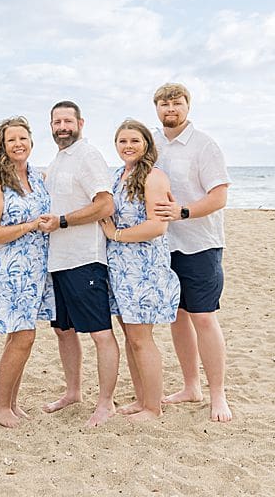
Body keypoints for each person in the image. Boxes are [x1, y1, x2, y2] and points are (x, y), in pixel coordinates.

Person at [151, 83, 233, 422]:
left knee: (203, 317)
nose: (171, 108)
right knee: (178, 318)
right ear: (156, 107)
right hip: (162, 246)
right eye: (164, 103)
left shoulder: (204, 145)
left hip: (200, 244)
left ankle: (218, 395)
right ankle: (190, 386)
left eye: (177, 102)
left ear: (188, 106)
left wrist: (183, 212)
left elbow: (219, 196)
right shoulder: (151, 143)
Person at [38, 100, 119, 427]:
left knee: (100, 333)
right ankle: (73, 392)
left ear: (80, 123)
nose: (62, 127)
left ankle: (106, 403)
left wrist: (62, 221)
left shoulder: (88, 156)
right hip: (57, 261)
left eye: (67, 121)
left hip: (85, 259)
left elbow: (105, 204)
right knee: (64, 331)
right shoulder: (60, 160)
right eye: (56, 122)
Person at [0, 116, 56, 428]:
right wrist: (30, 225)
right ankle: (0, 405)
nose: (18, 144)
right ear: (3, 146)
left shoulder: (38, 178)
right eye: (11, 140)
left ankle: (11, 401)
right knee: (24, 335)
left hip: (36, 270)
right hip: (7, 271)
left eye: (23, 138)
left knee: (19, 336)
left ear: (31, 142)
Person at [100, 119, 180, 422]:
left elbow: (157, 226)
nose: (128, 146)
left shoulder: (153, 177)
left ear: (146, 144)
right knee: (129, 335)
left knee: (141, 337)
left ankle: (153, 407)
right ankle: (142, 398)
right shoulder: (119, 176)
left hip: (144, 267)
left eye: (134, 140)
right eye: (122, 141)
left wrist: (116, 235)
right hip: (120, 268)